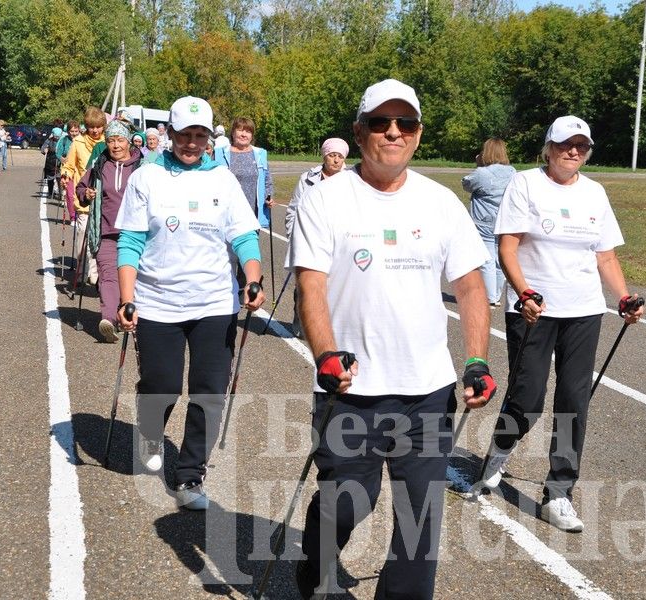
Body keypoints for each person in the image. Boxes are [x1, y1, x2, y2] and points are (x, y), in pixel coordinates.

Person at [290, 79, 495, 599]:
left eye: (405, 123)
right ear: (360, 133)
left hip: (426, 391)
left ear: (419, 134)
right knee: (347, 503)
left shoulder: (440, 202)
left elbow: (471, 286)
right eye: (381, 122)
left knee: (419, 524)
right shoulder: (326, 198)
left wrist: (476, 360)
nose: (394, 132)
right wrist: (326, 356)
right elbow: (309, 285)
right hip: (349, 389)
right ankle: (315, 564)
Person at [476, 115, 645, 533]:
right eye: (565, 144)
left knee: (574, 400)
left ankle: (559, 492)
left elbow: (604, 255)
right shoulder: (526, 184)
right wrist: (524, 292)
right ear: (549, 148)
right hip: (533, 309)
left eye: (581, 146)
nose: (573, 152)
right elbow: (507, 248)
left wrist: (623, 296)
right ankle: (500, 448)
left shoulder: (595, 193)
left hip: (584, 310)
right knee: (527, 398)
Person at [115, 96, 266, 511]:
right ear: (171, 135)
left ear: (208, 139)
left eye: (200, 136)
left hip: (214, 302)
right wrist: (127, 299)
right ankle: (150, 433)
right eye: (185, 135)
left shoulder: (222, 179)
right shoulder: (147, 177)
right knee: (161, 385)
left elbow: (244, 237)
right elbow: (129, 241)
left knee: (209, 390)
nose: (192, 143)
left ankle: (190, 474)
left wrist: (253, 279)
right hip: (158, 300)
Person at [76, 120, 141, 342]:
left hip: (137, 233)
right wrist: (87, 194)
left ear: (128, 142)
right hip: (105, 231)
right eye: (111, 141)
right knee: (108, 276)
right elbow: (81, 188)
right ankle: (108, 321)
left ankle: (127, 314)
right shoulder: (99, 164)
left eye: (119, 140)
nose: (115, 145)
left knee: (135, 278)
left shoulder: (142, 166)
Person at [284, 137, 349, 338]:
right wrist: (293, 236)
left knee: (335, 286)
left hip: (340, 241)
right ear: (324, 156)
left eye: (340, 156)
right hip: (310, 239)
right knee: (306, 283)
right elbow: (293, 209)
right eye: (332, 155)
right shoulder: (307, 178)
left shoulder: (352, 180)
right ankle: (301, 319)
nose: (336, 160)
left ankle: (328, 325)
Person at [462, 137, 517, 307]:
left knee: (486, 260)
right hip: (504, 220)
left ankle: (490, 298)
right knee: (500, 260)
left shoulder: (481, 173)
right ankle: (496, 295)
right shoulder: (512, 172)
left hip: (483, 221)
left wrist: (479, 165)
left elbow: (466, 184)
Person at [61, 107, 106, 286]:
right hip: (83, 196)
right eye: (91, 127)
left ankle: (94, 273)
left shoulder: (108, 142)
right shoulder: (78, 142)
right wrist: (65, 175)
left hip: (104, 198)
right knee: (82, 234)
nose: (95, 131)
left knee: (100, 237)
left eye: (98, 127)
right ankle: (81, 270)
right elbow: (70, 166)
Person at [214, 117, 273, 229]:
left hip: (252, 214)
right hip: (227, 214)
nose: (244, 134)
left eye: (248, 131)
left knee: (249, 245)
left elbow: (267, 180)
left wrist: (268, 197)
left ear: (252, 136)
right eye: (240, 130)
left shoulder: (260, 154)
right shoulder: (219, 154)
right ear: (233, 132)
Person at [41, 127, 64, 199]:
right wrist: (44, 150)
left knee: (59, 178)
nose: (57, 138)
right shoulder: (49, 140)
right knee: (50, 178)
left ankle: (61, 194)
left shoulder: (63, 140)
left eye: (58, 136)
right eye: (55, 136)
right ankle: (50, 193)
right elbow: (43, 148)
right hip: (50, 161)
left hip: (60, 162)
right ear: (53, 135)